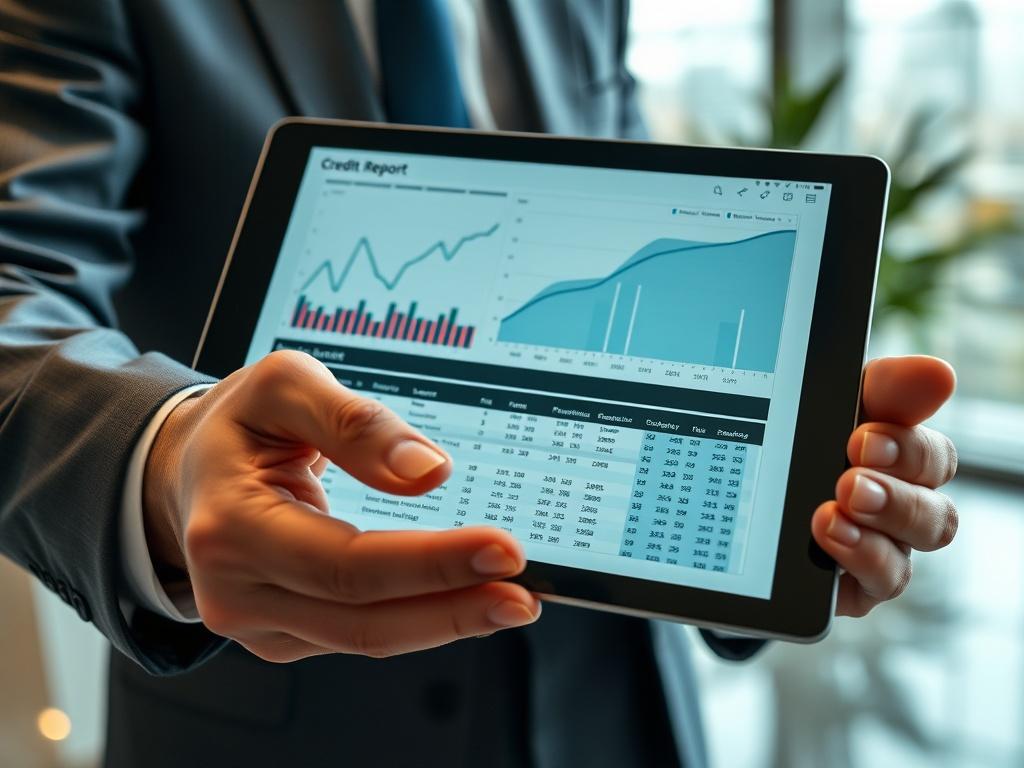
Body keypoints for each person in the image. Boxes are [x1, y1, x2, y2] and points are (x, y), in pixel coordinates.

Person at [0, 1, 959, 766]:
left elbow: (616, 201)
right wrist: (167, 460)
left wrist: (769, 531)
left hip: (616, 711)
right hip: (286, 725)